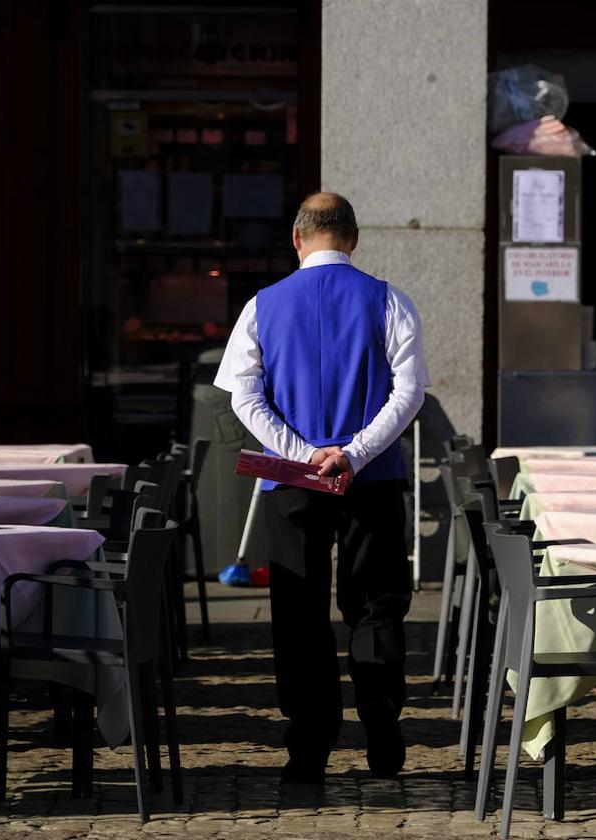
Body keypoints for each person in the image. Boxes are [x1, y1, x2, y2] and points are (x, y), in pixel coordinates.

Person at [214, 192, 431, 784]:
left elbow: (242, 396)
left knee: (299, 608)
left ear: (296, 238)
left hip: (293, 480)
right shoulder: (390, 300)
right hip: (374, 476)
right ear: (354, 239)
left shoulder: (262, 305)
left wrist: (305, 453)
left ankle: (307, 745)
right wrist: (354, 453)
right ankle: (382, 722)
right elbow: (408, 395)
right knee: (377, 602)